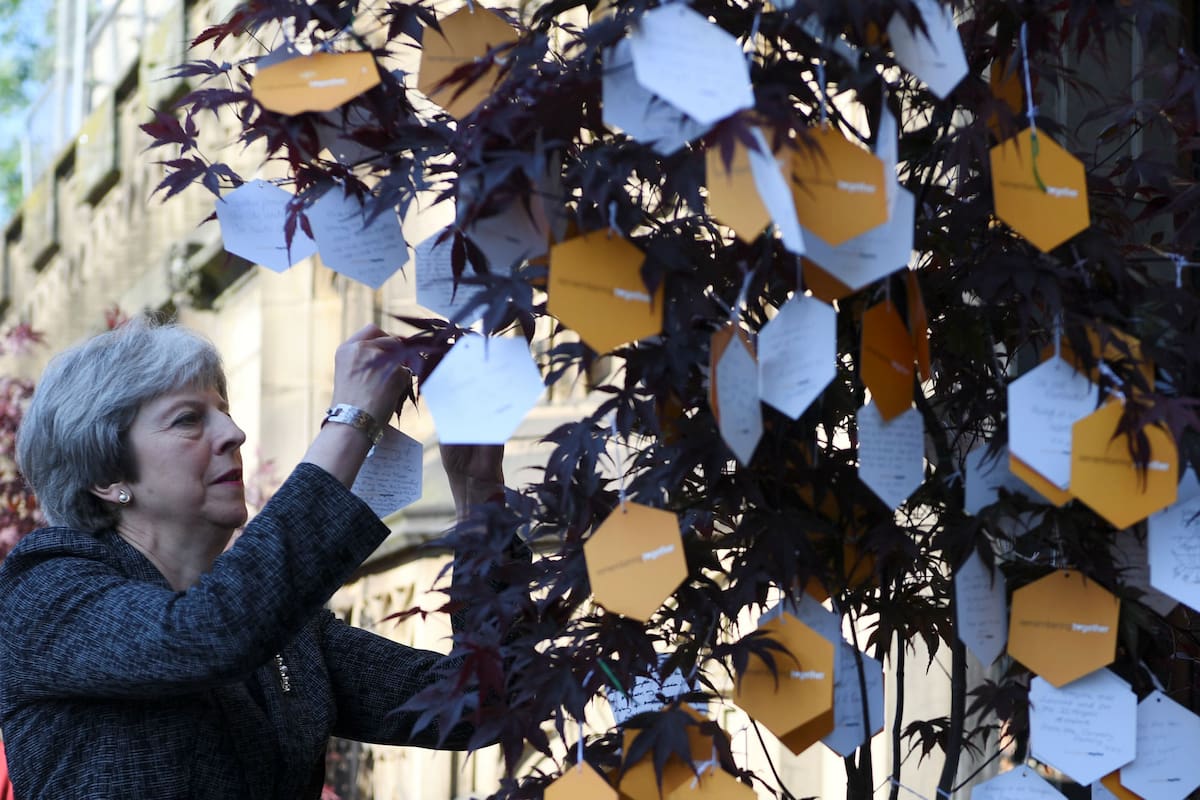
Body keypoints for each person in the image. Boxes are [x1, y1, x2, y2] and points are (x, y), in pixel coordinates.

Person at [0, 317, 505, 798]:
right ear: (107, 477)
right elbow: (209, 634)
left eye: (224, 411)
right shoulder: (44, 590)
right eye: (188, 420)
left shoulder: (288, 634)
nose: (233, 434)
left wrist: (480, 500)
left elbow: (477, 704)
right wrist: (351, 423)